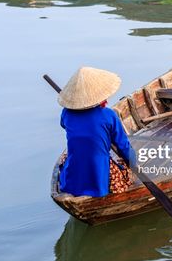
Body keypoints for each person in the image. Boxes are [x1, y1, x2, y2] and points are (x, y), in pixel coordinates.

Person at [58, 66, 135, 197]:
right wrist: (134, 162)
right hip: (99, 180)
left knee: (70, 156)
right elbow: (123, 147)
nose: (106, 100)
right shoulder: (108, 115)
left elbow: (65, 126)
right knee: (126, 169)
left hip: (71, 180)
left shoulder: (66, 113)